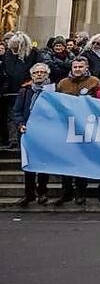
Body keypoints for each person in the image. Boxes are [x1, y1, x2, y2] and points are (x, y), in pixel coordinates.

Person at [12, 62, 55, 205]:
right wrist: (20, 124)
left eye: (42, 72)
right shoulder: (25, 91)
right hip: (28, 132)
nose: (39, 75)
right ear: (32, 75)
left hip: (46, 133)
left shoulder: (53, 91)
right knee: (29, 164)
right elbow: (16, 111)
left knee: (43, 164)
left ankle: (42, 192)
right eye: (36, 73)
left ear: (47, 75)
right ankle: (29, 193)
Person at [2, 31, 39, 148]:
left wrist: (31, 81)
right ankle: (13, 140)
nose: (13, 51)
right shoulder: (8, 54)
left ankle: (24, 140)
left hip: (27, 88)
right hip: (10, 89)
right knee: (11, 114)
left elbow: (38, 67)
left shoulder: (33, 53)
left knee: (24, 114)